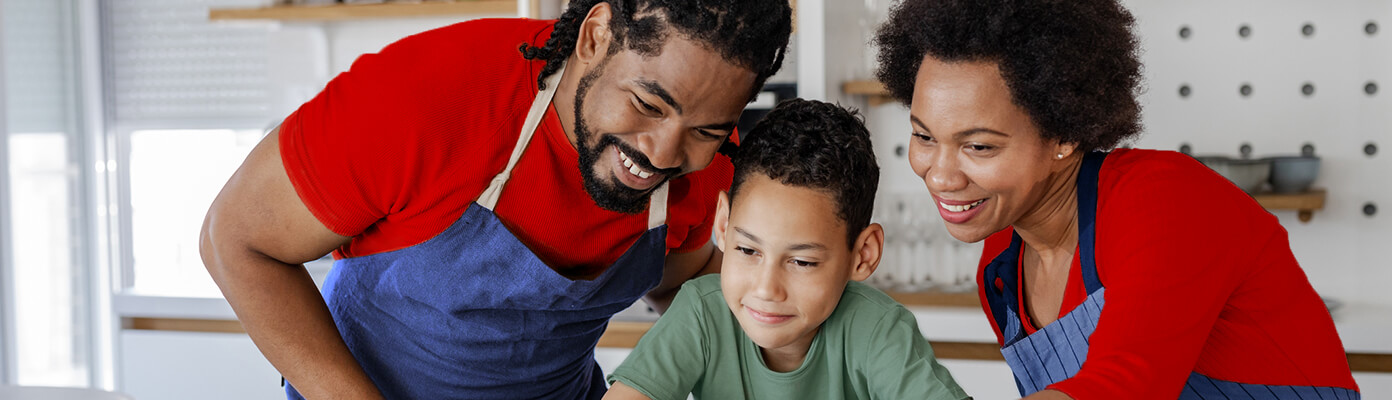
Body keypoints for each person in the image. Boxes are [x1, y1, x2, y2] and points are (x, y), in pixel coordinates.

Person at [198, 1, 792, 398]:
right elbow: (235, 239)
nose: (664, 154)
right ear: (595, 36)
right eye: (647, 104)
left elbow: (681, 284)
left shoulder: (710, 164)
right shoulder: (428, 99)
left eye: (708, 130)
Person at [874, 0, 1359, 399]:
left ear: (1062, 134)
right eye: (923, 136)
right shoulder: (1001, 266)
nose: (939, 174)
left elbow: (1126, 383)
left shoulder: (1168, 199)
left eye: (979, 146)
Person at [602, 99, 969, 400]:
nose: (766, 289)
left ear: (863, 255)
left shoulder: (876, 329)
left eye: (802, 261)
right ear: (723, 226)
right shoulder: (701, 312)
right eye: (748, 250)